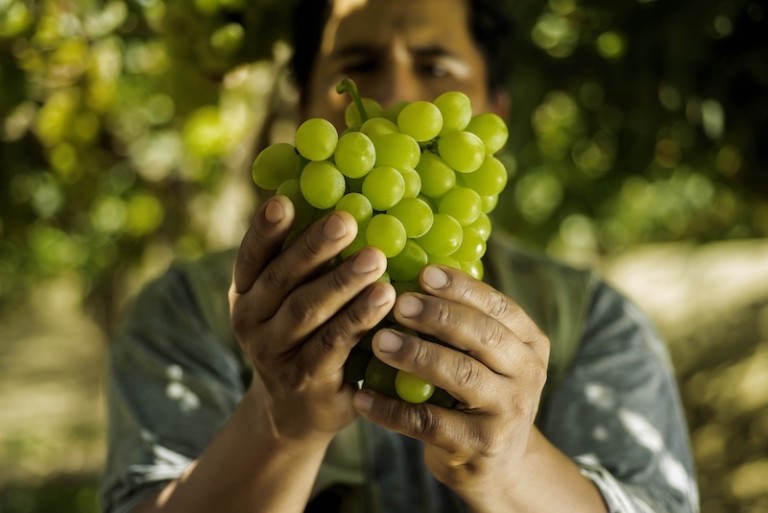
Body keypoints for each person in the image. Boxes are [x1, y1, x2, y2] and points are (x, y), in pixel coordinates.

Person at [100, 0, 700, 512]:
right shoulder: (183, 313)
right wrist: (281, 425)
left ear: (494, 108)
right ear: (304, 101)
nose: (393, 94)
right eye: (358, 65)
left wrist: (510, 466)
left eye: (435, 66)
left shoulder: (595, 321)